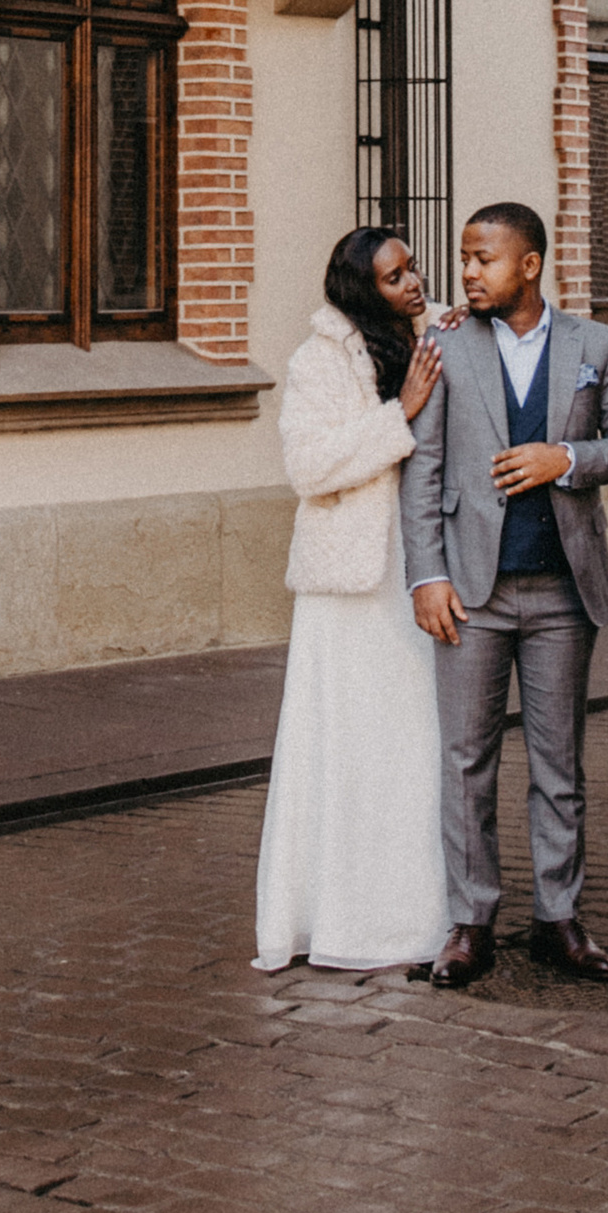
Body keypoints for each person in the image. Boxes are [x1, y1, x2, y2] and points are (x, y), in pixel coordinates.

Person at [401, 200, 608, 987]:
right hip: (472, 594)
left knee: (558, 764)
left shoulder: (595, 345)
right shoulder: (444, 342)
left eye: (484, 259)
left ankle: (558, 919)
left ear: (531, 265)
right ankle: (471, 923)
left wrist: (566, 459)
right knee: (467, 759)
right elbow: (424, 469)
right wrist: (428, 575)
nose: (469, 272)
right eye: (465, 259)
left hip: (562, 593)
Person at [252, 226, 453, 973]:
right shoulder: (318, 361)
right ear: (361, 288)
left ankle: (414, 918)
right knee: (346, 746)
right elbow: (310, 466)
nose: (413, 282)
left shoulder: (429, 341)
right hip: (348, 583)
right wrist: (398, 413)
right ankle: (335, 918)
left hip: (418, 571)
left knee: (411, 747)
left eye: (412, 268)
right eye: (394, 275)